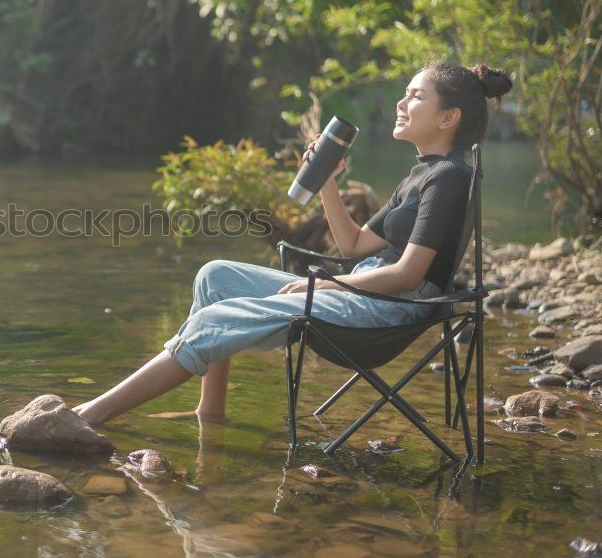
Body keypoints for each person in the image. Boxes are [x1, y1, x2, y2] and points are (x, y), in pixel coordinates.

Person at [73, 60, 513, 426]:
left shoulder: (449, 177)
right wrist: (326, 182)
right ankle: (210, 413)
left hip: (388, 308)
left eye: (416, 95)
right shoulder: (424, 172)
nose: (401, 103)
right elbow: (355, 246)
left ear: (448, 117)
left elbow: (408, 274)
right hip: (368, 291)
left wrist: (324, 285)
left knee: (214, 321)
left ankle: (89, 415)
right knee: (216, 278)